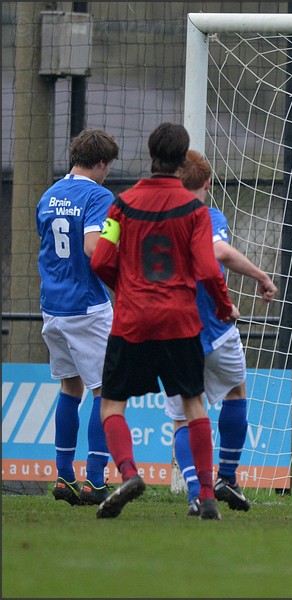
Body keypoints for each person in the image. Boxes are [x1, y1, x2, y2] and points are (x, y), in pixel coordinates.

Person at [90, 123, 239, 520]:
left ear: (150, 153)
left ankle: (128, 473)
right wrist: (224, 307)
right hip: (179, 321)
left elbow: (101, 259)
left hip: (132, 321)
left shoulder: (122, 203)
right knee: (195, 407)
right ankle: (207, 494)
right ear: (181, 156)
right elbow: (208, 271)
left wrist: (126, 289)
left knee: (111, 406)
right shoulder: (195, 210)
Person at [164, 150, 278, 516]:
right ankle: (227, 475)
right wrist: (260, 276)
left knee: (184, 414)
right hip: (213, 328)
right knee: (235, 389)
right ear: (208, 184)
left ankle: (198, 491)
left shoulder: (157, 221)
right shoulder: (208, 216)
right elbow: (220, 252)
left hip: (169, 332)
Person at [36, 129, 119, 507]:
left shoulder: (49, 194)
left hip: (52, 306)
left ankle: (64, 476)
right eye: (108, 167)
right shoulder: (98, 195)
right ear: (101, 163)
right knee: (106, 392)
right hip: (87, 307)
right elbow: (90, 247)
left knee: (71, 388)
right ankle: (96, 481)